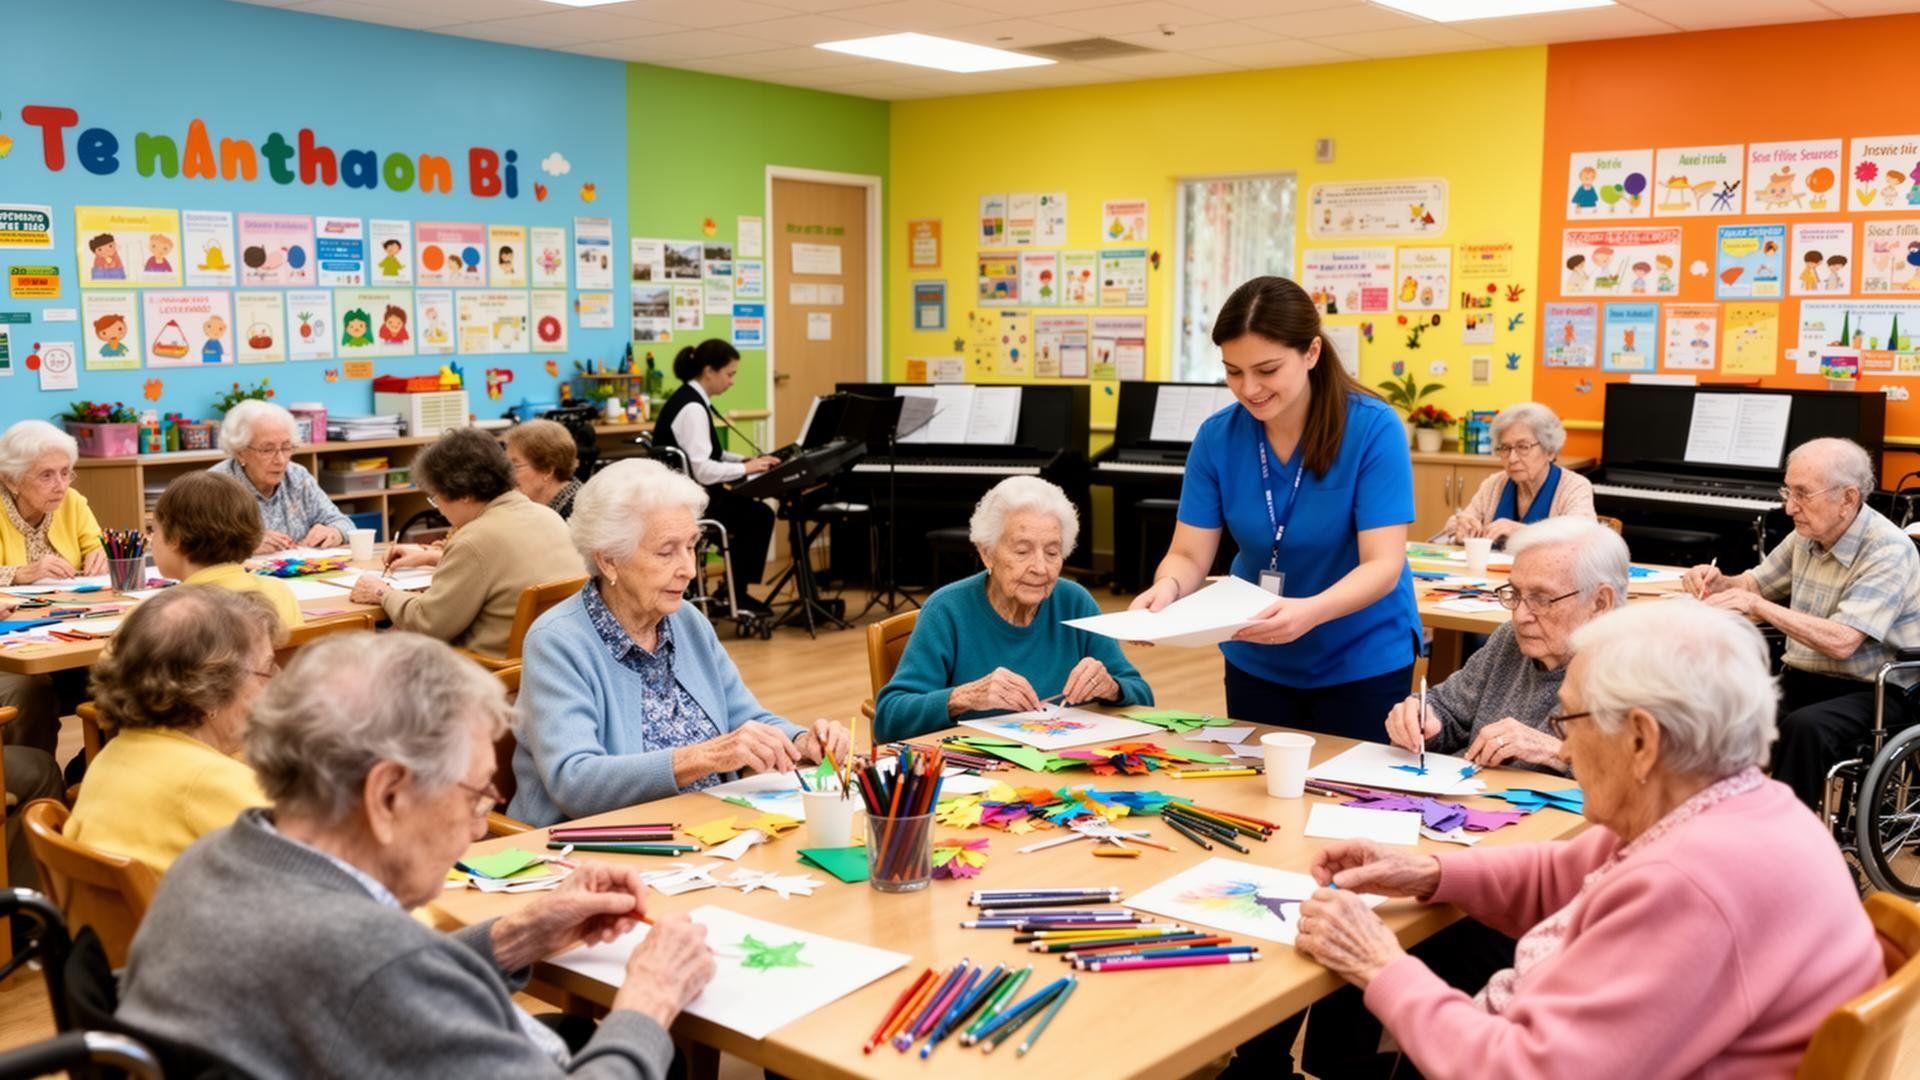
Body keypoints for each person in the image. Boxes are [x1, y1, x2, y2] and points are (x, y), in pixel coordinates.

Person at [1291, 599, 1884, 1079]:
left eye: (1568, 721)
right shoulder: (1729, 803)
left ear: (1642, 741)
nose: (1565, 749)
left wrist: (1380, 966)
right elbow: (1562, 871)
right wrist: (1432, 872)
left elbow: (1522, 1073)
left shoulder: (1692, 883)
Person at [116, 631, 713, 1078]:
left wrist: (519, 934)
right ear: (388, 795)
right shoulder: (369, 962)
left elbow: (376, 987)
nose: (480, 829)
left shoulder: (220, 856)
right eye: (478, 793)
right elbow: (379, 978)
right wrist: (650, 998)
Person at [1132, 276, 1421, 738]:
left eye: (1267, 370)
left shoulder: (1373, 428)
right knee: (1257, 796)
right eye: (1233, 371)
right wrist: (1167, 588)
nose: (1249, 389)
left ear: (1311, 353)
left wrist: (1308, 612)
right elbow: (1189, 554)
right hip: (1256, 653)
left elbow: (1383, 565)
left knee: (1349, 799)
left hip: (1360, 656)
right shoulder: (1217, 438)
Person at [509, 460, 848, 827]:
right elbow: (575, 781)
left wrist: (801, 741)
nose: (688, 568)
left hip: (711, 831)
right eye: (666, 551)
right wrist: (705, 757)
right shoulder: (558, 642)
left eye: (691, 546)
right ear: (609, 561)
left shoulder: (685, 620)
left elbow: (744, 717)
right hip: (602, 848)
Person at [1682, 436, 1920, 808]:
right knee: (1722, 704)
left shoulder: (1887, 550)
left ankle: (1791, 847)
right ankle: (1722, 823)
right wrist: (1717, 581)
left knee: (1804, 727)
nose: (1789, 507)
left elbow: (1843, 641)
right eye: (1787, 491)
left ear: (1848, 498)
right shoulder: (1807, 536)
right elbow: (1754, 583)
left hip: (1876, 689)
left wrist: (1757, 605)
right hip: (1807, 678)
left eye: (1802, 494)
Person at [874, 476, 1153, 742]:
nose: (1040, 568)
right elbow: (888, 719)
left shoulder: (1076, 602)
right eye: (1022, 551)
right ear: (987, 553)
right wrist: (963, 697)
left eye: (1053, 553)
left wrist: (1113, 688)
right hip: (979, 779)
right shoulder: (946, 610)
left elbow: (1143, 697)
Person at [63, 586, 282, 877]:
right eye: (267, 670)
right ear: (211, 692)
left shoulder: (109, 759)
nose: (277, 682)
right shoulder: (210, 783)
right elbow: (317, 876)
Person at [1384, 517, 1627, 772]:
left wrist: (1556, 751)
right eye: (1516, 594)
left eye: (1541, 599)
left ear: (1600, 603)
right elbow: (1449, 709)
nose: (1520, 616)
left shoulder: (1636, 668)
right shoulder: (1511, 640)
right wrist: (1422, 719)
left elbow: (1638, 780)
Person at [350, 428, 584, 658]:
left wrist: (382, 593)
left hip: (488, 671)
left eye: (436, 498)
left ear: (463, 494)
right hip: (548, 660)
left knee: (366, 649)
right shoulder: (548, 516)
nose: (440, 510)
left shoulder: (474, 539)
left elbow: (428, 623)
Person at [0, 420, 107, 753]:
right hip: (14, 635)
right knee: (31, 686)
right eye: (46, 475)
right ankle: (37, 790)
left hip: (68, 623)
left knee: (119, 670)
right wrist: (20, 573)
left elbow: (96, 544)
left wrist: (98, 556)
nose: (60, 485)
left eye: (65, 472)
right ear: (10, 480)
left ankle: (89, 773)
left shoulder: (72, 502)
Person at [649, 339, 779, 610]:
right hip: (694, 502)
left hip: (685, 495)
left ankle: (730, 590)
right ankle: (736, 594)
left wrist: (744, 460)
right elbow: (704, 471)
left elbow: (709, 455)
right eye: (729, 374)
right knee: (760, 516)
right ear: (709, 371)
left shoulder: (688, 398)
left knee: (750, 511)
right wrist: (747, 468)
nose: (731, 381)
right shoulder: (693, 408)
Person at [149, 472, 304, 629]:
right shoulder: (280, 592)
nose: (151, 541)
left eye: (154, 530)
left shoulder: (159, 616)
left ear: (175, 538)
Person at [210, 399, 354, 554]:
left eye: (286, 447)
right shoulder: (215, 487)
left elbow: (345, 523)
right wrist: (244, 545)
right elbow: (194, 550)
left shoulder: (297, 477)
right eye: (267, 450)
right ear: (240, 452)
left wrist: (335, 532)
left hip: (299, 573)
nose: (280, 460)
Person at [1442, 402, 1595, 545]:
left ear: (1549, 451)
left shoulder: (1574, 487)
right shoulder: (1494, 484)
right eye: (1505, 448)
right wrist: (1462, 528)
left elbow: (1583, 540)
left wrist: (1520, 531)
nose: (1512, 458)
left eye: (1523, 447)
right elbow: (1455, 525)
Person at [506, 419, 583, 520]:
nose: (507, 475)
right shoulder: (543, 508)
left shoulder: (577, 514)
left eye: (515, 467)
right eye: (507, 465)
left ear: (547, 471)